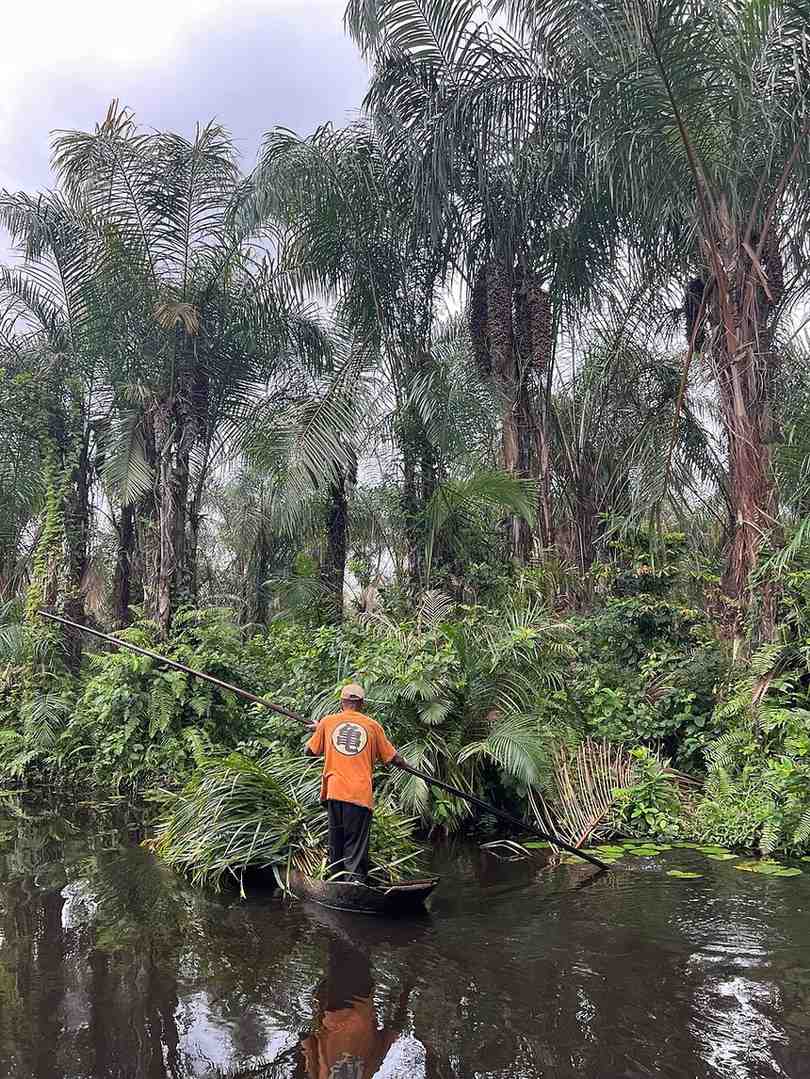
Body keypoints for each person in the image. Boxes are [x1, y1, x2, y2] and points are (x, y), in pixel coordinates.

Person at [305, 683, 405, 883]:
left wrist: (320, 730)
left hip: (334, 791)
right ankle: (355, 883)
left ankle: (335, 881)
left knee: (337, 840)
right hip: (359, 795)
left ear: (342, 702)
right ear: (362, 704)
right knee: (356, 844)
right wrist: (405, 763)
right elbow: (392, 757)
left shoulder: (328, 722)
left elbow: (310, 752)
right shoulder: (372, 726)